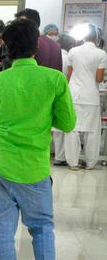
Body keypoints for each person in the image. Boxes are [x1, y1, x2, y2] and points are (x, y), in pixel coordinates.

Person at [0, 18, 77, 260]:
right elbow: (67, 123)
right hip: (33, 169)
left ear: (5, 46)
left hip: (1, 166)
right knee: (42, 229)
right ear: (36, 46)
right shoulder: (54, 80)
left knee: (4, 234)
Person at [63, 24, 107, 170]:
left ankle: (73, 163)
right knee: (92, 131)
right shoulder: (101, 54)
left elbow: (70, 75)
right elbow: (99, 78)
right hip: (91, 97)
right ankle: (90, 163)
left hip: (74, 94)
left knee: (72, 129)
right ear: (97, 37)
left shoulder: (73, 51)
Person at [52, 33, 78, 165]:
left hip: (52, 90)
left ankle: (57, 155)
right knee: (64, 125)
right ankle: (62, 156)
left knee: (55, 129)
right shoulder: (69, 57)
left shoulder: (54, 55)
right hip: (65, 91)